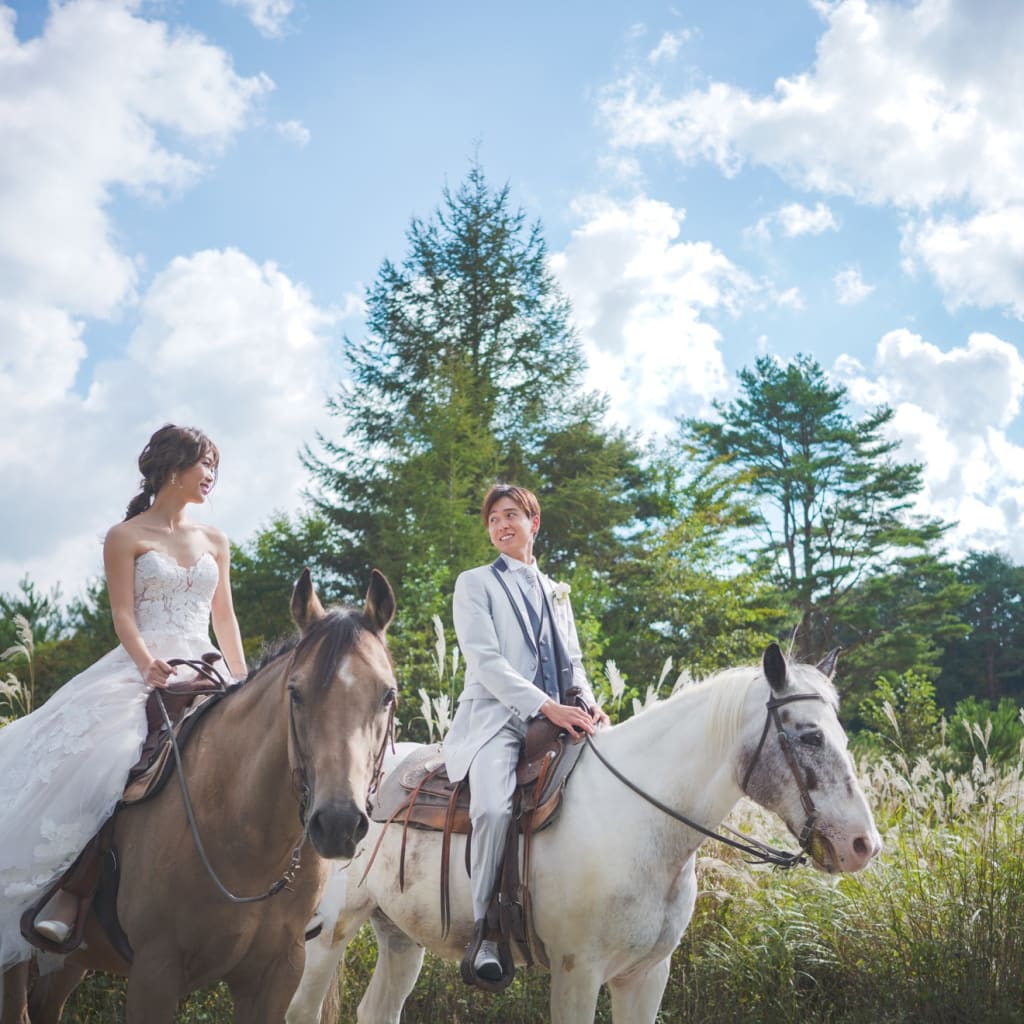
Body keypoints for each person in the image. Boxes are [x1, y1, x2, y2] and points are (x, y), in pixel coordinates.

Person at [0, 424, 247, 969]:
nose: (211, 476)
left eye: (214, 467)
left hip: (204, 665)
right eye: (204, 464)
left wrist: (242, 678)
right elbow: (122, 615)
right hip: (146, 667)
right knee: (111, 755)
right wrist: (145, 664)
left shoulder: (216, 540)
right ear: (172, 468)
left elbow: (224, 618)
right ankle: (73, 891)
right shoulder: (125, 535)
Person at [443, 483, 609, 983]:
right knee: (493, 808)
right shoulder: (474, 583)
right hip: (498, 719)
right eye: (493, 519)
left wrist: (590, 702)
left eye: (511, 515)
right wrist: (548, 707)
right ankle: (485, 931)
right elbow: (486, 661)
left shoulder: (558, 591)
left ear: (534, 524)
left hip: (558, 716)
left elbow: (573, 660)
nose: (501, 526)